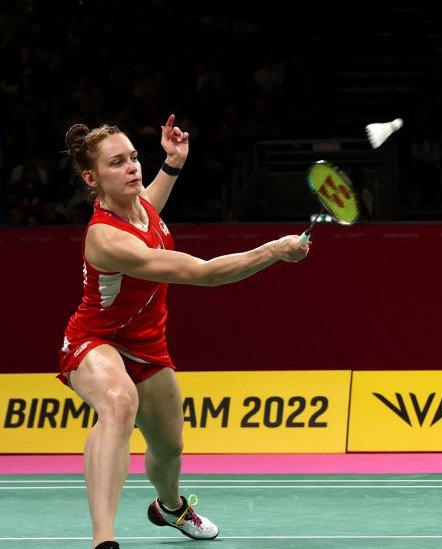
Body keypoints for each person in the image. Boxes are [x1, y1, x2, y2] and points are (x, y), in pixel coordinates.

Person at [59, 115, 309, 548]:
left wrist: (172, 164)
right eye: (116, 163)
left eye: (134, 158)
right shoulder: (105, 238)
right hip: (94, 340)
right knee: (118, 404)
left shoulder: (140, 208)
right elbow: (206, 274)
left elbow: (150, 205)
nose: (133, 168)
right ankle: (104, 539)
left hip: (147, 343)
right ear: (92, 178)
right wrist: (274, 250)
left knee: (170, 447)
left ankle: (170, 507)